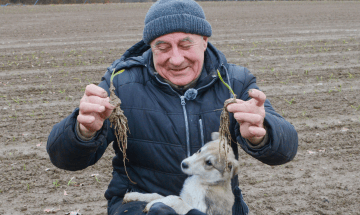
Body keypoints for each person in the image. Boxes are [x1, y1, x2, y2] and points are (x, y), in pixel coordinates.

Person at [46, 0, 298, 214]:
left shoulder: (234, 83)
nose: (176, 59)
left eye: (186, 45)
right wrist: (82, 132)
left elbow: (285, 150)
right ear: (150, 47)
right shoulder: (121, 83)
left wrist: (262, 135)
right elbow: (64, 158)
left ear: (204, 40)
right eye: (162, 47)